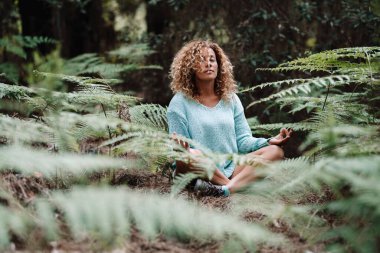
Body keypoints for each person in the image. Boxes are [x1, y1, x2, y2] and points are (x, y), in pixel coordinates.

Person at [167, 40, 292, 197]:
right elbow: (180, 153)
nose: (208, 64)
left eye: (212, 60)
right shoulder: (179, 103)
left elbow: (243, 140)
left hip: (231, 167)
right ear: (190, 67)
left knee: (275, 151)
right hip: (198, 169)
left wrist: (268, 141)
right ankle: (234, 186)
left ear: (219, 66)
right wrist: (182, 150)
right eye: (202, 60)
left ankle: (224, 190)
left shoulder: (230, 99)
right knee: (193, 154)